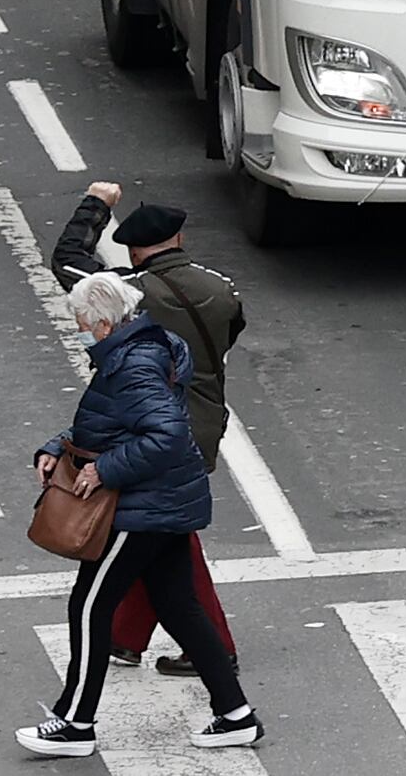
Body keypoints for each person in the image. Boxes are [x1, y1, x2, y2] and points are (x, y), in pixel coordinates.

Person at [15, 271, 264, 758]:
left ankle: (75, 722)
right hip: (166, 501)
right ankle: (235, 715)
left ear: (105, 324)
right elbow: (115, 419)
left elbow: (163, 434)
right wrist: (55, 445)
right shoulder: (150, 347)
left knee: (89, 607)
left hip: (141, 508)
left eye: (82, 322)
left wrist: (104, 470)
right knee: (178, 606)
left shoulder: (132, 363)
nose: (80, 329)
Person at [50, 183, 244, 677]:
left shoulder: (127, 288)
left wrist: (97, 204)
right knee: (151, 525)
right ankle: (127, 636)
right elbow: (231, 336)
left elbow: (67, 260)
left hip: (150, 422)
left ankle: (213, 646)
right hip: (205, 418)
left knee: (161, 529)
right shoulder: (222, 287)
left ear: (134, 248)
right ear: (179, 238)